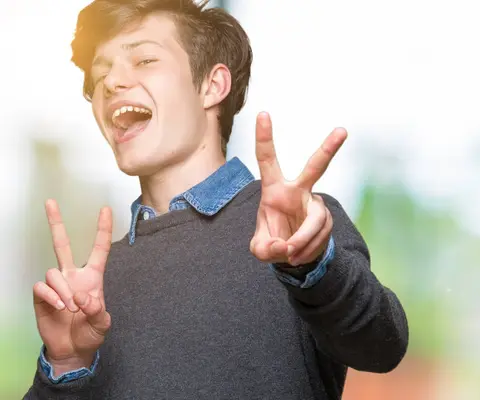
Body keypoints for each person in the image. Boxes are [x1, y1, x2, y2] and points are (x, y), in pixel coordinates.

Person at [24, 1, 408, 399]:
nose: (111, 82)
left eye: (144, 60)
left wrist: (315, 266)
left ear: (212, 85)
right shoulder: (91, 289)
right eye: (100, 72)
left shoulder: (296, 231)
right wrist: (66, 367)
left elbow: (383, 348)